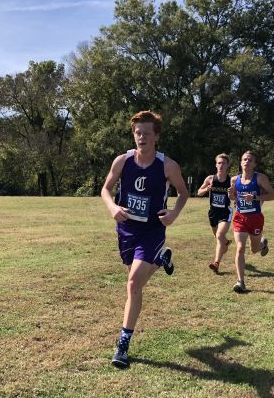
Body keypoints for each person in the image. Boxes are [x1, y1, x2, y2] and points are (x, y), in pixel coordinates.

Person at [101, 110, 189, 368]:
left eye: (147, 133)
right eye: (138, 133)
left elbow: (183, 192)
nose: (142, 137)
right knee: (135, 283)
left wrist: (174, 213)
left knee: (132, 284)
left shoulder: (168, 166)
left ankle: (123, 344)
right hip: (127, 230)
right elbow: (106, 189)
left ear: (156, 136)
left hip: (152, 231)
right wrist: (112, 207)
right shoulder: (122, 161)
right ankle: (161, 259)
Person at [227, 151, 274, 293]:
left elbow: (272, 195)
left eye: (249, 160)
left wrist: (254, 198)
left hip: (255, 218)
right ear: (240, 162)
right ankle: (240, 282)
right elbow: (235, 198)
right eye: (244, 159)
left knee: (254, 249)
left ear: (254, 164)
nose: (246, 162)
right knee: (240, 247)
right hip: (240, 217)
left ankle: (262, 244)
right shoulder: (234, 179)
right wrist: (231, 195)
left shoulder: (260, 178)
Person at [197, 153, 233, 273]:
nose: (221, 165)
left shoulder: (231, 181)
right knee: (217, 236)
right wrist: (206, 189)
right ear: (216, 164)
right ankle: (226, 242)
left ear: (227, 165)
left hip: (225, 212)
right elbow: (199, 192)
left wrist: (230, 194)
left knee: (219, 236)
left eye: (223, 163)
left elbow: (234, 198)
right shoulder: (210, 179)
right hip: (213, 212)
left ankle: (216, 263)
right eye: (219, 163)